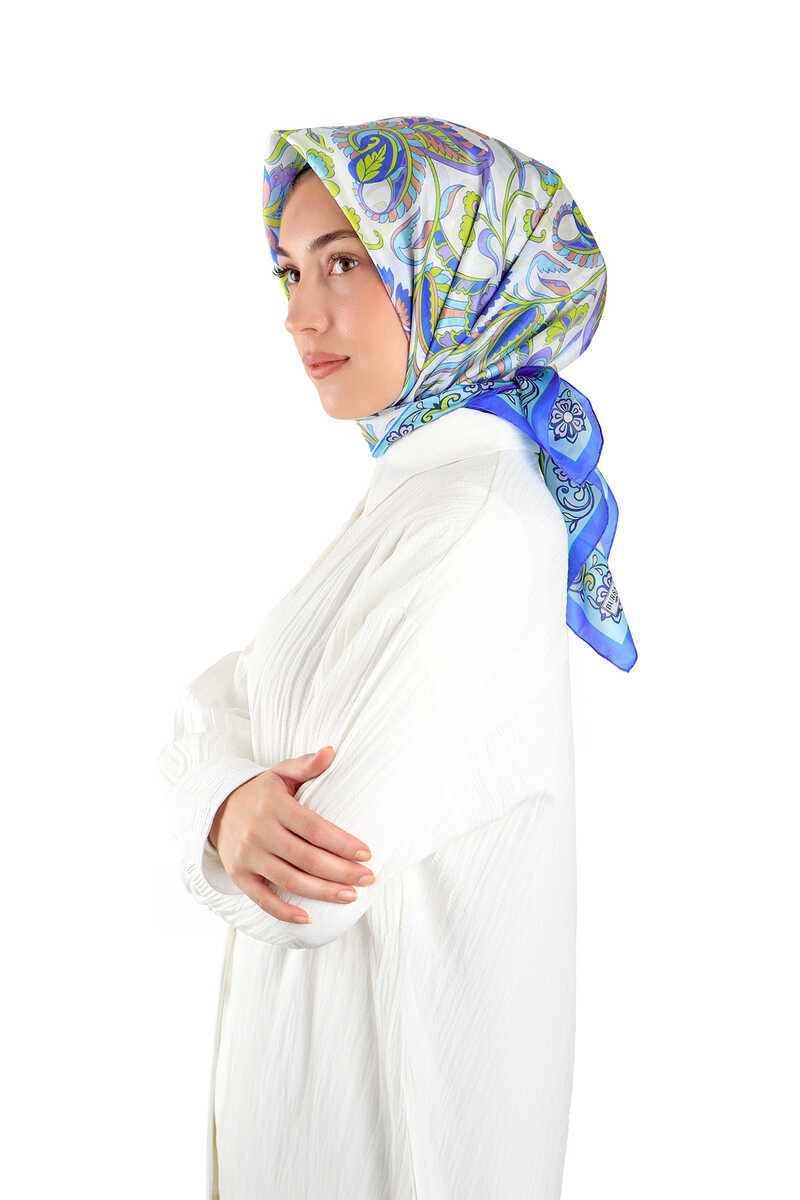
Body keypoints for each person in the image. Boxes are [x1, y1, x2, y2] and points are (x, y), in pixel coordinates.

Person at [158, 114, 637, 1200]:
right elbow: (219, 702)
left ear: (461, 273)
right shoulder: (415, 497)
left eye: (345, 261)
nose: (298, 314)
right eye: (289, 270)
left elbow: (312, 888)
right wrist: (227, 800)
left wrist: (214, 799)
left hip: (393, 1152)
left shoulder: (471, 524)